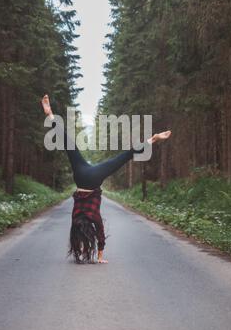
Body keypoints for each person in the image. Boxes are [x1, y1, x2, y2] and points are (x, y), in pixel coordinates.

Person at [42, 95, 171, 264]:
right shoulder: (76, 217)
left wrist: (101, 255)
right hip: (81, 177)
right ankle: (49, 113)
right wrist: (97, 256)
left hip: (93, 178)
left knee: (123, 156)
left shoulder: (93, 216)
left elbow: (100, 232)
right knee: (69, 144)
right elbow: (80, 233)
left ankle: (152, 139)